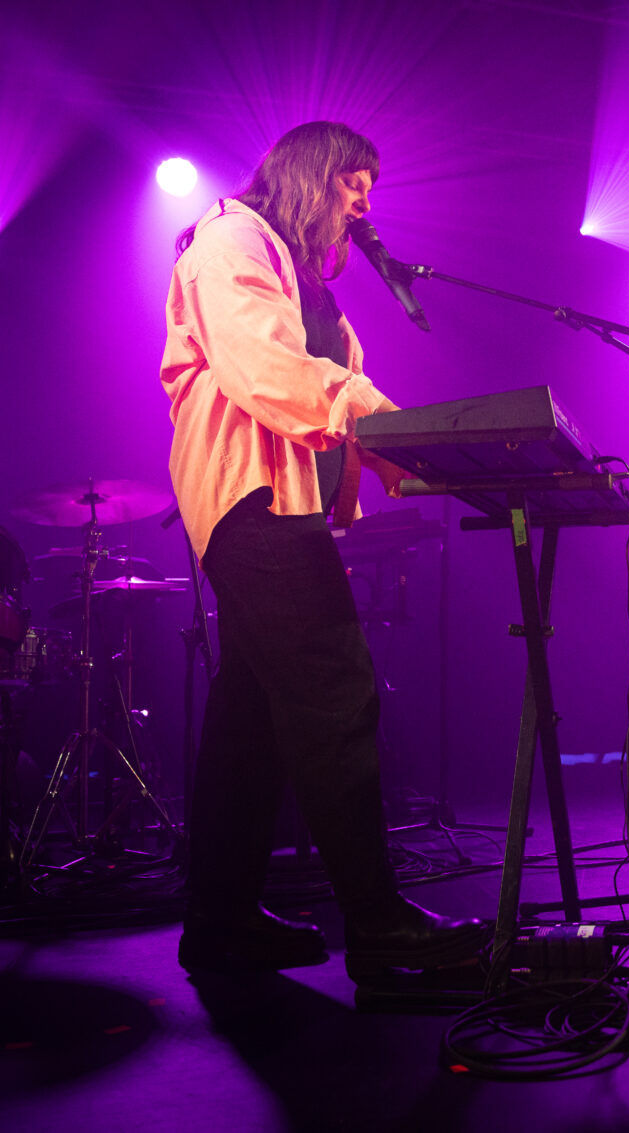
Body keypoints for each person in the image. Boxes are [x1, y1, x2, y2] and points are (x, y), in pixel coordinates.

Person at [160, 120, 485, 973]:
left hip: (277, 502)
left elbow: (338, 399)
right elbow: (263, 368)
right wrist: (378, 420)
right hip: (251, 498)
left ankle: (219, 922)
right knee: (337, 693)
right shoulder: (231, 238)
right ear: (310, 177)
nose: (363, 203)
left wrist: (415, 457)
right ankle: (376, 923)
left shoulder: (304, 282)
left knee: (254, 719)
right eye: (353, 184)